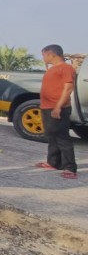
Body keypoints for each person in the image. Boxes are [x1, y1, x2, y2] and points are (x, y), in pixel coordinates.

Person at [35, 44, 77, 179]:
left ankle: (70, 167)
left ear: (52, 55)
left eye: (44, 55)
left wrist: (58, 106)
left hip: (59, 108)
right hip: (47, 107)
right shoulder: (54, 69)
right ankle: (53, 162)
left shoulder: (66, 68)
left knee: (62, 137)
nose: (43, 58)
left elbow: (68, 88)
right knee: (51, 135)